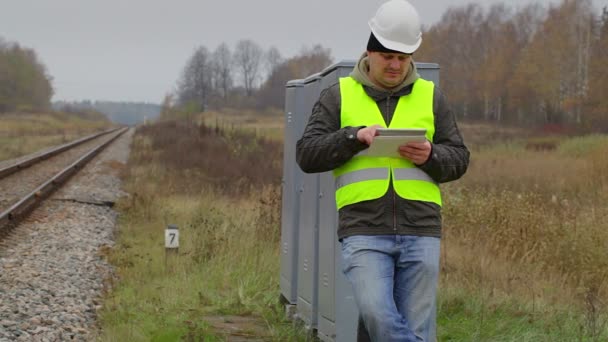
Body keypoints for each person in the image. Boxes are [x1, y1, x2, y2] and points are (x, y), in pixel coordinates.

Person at [295, 0, 470, 341]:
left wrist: (431, 155)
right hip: (363, 228)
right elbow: (307, 153)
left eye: (402, 58)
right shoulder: (338, 95)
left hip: (421, 228)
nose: (395, 65)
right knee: (377, 313)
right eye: (388, 56)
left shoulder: (432, 97)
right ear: (370, 52)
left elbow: (460, 158)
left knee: (415, 325)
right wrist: (352, 138)